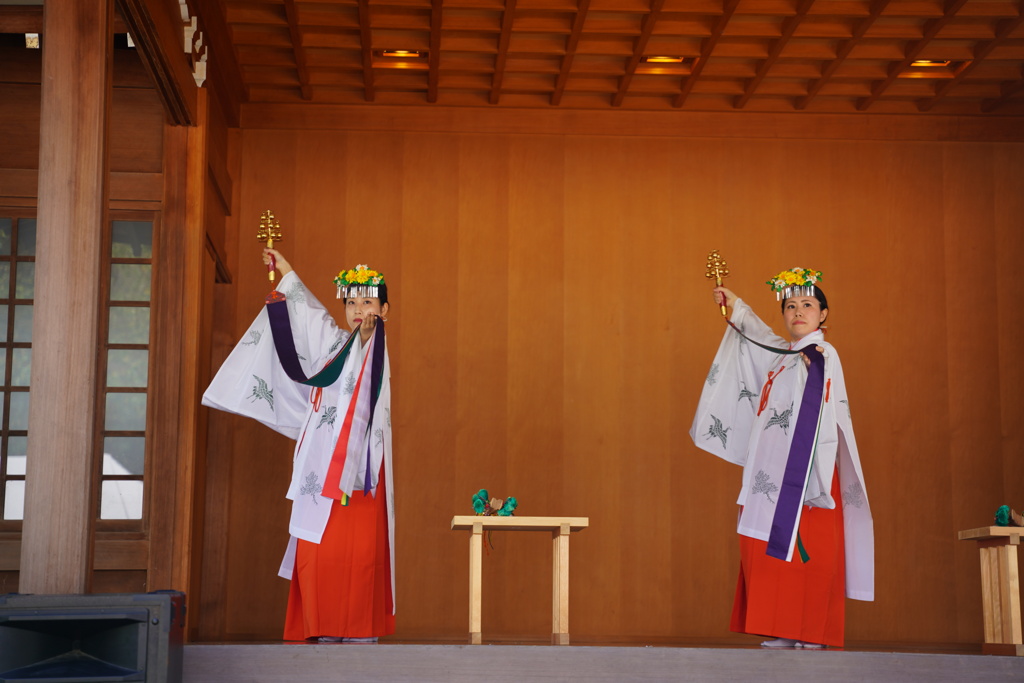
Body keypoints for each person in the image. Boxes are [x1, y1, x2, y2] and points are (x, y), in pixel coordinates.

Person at [202, 249, 395, 643]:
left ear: (384, 310)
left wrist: (369, 332)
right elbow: (308, 316)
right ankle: (321, 626)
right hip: (319, 466)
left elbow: (366, 340)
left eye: (368, 302)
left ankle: (358, 630)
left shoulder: (374, 346)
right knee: (317, 552)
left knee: (360, 556)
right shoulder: (334, 343)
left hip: (360, 470)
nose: (360, 310)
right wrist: (286, 271)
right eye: (353, 302)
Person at [690, 268, 873, 649]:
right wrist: (736, 307)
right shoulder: (784, 355)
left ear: (823, 314)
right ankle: (786, 630)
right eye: (790, 306)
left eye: (807, 304)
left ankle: (813, 633)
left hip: (810, 471)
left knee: (811, 552)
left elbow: (822, 392)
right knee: (768, 549)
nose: (798, 312)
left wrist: (815, 368)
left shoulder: (822, 353)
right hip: (770, 470)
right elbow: (759, 341)